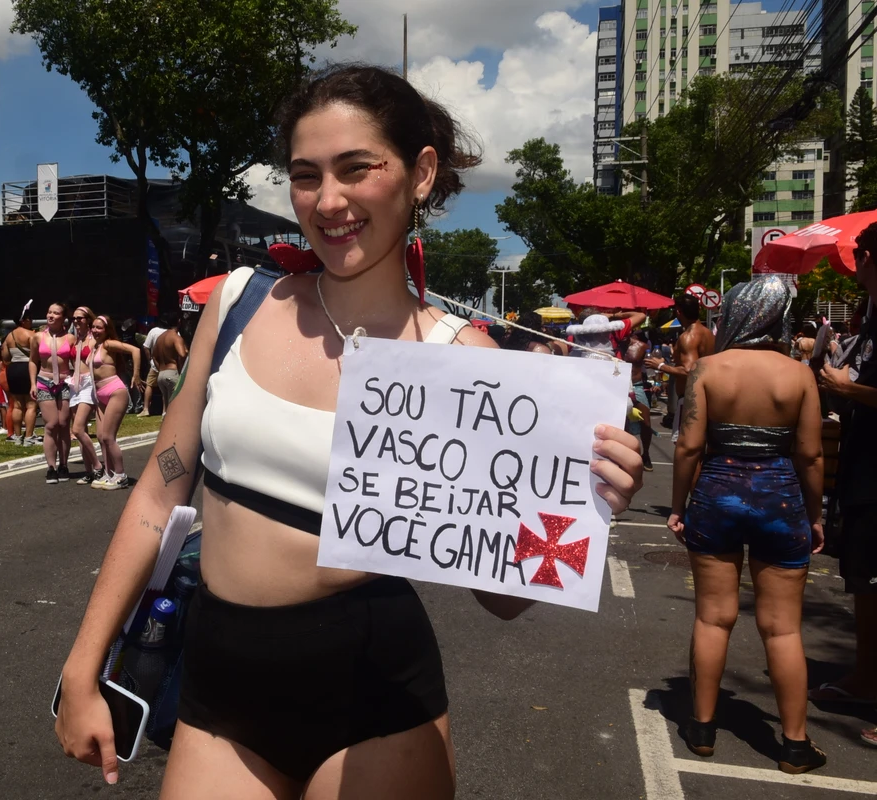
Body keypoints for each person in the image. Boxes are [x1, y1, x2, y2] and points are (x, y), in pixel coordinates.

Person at [53, 65, 644, 796]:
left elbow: (501, 594)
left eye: (357, 169)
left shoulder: (463, 360)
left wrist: (587, 501)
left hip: (375, 702)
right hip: (218, 687)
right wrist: (85, 664)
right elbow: (157, 490)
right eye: (306, 176)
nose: (329, 201)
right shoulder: (237, 304)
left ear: (420, 173)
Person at [667, 277, 826, 774]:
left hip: (716, 495)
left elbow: (689, 446)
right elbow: (811, 454)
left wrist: (678, 505)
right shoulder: (798, 374)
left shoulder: (710, 370)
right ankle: (795, 744)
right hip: (779, 499)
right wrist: (815, 514)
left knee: (713, 617)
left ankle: (702, 727)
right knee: (782, 630)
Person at [814, 223, 877, 747]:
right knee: (862, 578)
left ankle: (867, 678)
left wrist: (845, 385)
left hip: (874, 476)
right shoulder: (870, 316)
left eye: (862, 255)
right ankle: (865, 675)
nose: (856, 265)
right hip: (863, 467)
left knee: (871, 579)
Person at [646, 294, 715, 442]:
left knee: (685, 450)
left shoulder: (688, 336)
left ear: (678, 312)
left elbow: (689, 370)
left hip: (690, 400)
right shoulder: (708, 333)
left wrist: (660, 365)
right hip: (706, 397)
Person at [88, 315, 141, 490]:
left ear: (107, 330)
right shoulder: (94, 346)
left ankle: (120, 474)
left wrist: (136, 375)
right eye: (93, 327)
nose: (95, 330)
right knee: (102, 437)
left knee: (109, 437)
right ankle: (109, 473)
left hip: (114, 391)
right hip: (100, 393)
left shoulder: (109, 344)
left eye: (99, 328)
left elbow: (136, 350)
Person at [30, 303, 77, 484]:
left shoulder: (70, 338)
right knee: (51, 424)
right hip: (44, 381)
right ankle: (50, 466)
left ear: (63, 317)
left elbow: (77, 361)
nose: (51, 315)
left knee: (64, 424)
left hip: (65, 382)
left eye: (55, 313)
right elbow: (33, 361)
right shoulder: (37, 337)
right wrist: (33, 383)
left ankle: (63, 464)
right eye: (49, 312)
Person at [69, 306, 104, 483]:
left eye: (80, 318)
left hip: (88, 383)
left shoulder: (93, 339)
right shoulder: (76, 340)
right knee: (82, 431)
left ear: (88, 319)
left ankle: (98, 466)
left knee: (76, 429)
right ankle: (89, 470)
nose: (76, 321)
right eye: (74, 318)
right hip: (74, 384)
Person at [2, 312, 38, 445]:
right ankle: (29, 436)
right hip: (27, 368)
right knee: (31, 405)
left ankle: (17, 436)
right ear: (24, 320)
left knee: (17, 404)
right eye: (30, 319)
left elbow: (5, 357)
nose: (32, 321)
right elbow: (38, 354)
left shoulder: (9, 336)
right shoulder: (31, 335)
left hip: (13, 369)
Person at [625, 333, 654, 471]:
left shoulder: (641, 346)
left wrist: (655, 381)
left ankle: (646, 454)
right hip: (618, 386)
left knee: (646, 423)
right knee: (621, 424)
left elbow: (649, 364)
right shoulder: (611, 345)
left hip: (636, 386)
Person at [151, 320, 188, 410]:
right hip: (172, 372)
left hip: (161, 374)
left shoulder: (160, 338)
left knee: (168, 407)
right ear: (179, 322)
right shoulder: (176, 338)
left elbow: (154, 356)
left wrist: (159, 369)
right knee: (176, 406)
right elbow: (182, 354)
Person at [138, 317, 169, 416]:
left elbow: (146, 347)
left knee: (150, 385)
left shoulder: (154, 331)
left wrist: (150, 359)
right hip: (168, 365)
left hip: (155, 365)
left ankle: (146, 409)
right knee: (165, 388)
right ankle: (165, 410)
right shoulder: (173, 332)